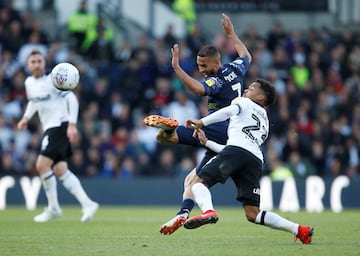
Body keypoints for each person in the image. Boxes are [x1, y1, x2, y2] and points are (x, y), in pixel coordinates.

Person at [144, 13, 252, 235]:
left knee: (165, 138)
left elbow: (198, 88)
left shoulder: (218, 79)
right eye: (198, 65)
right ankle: (183, 214)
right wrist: (231, 35)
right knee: (192, 180)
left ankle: (169, 127)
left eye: (204, 65)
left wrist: (177, 68)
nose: (201, 69)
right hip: (231, 134)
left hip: (217, 128)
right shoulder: (235, 70)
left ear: (216, 62)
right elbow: (246, 55)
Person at [184, 79, 313, 244]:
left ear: (260, 97)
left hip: (237, 152)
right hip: (255, 160)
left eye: (251, 88)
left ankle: (208, 211)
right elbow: (238, 149)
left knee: (198, 184)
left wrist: (202, 122)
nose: (246, 89)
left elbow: (228, 112)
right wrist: (206, 142)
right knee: (253, 213)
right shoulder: (265, 121)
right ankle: (299, 230)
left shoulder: (242, 102)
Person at [17, 49, 99, 223]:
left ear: (44, 63)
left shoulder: (53, 80)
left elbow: (72, 99)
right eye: (33, 61)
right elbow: (33, 102)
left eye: (40, 61)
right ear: (28, 65)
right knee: (60, 170)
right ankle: (87, 203)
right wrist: (25, 118)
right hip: (50, 127)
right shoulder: (29, 82)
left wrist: (72, 124)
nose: (37, 64)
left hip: (59, 125)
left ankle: (54, 207)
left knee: (41, 165)